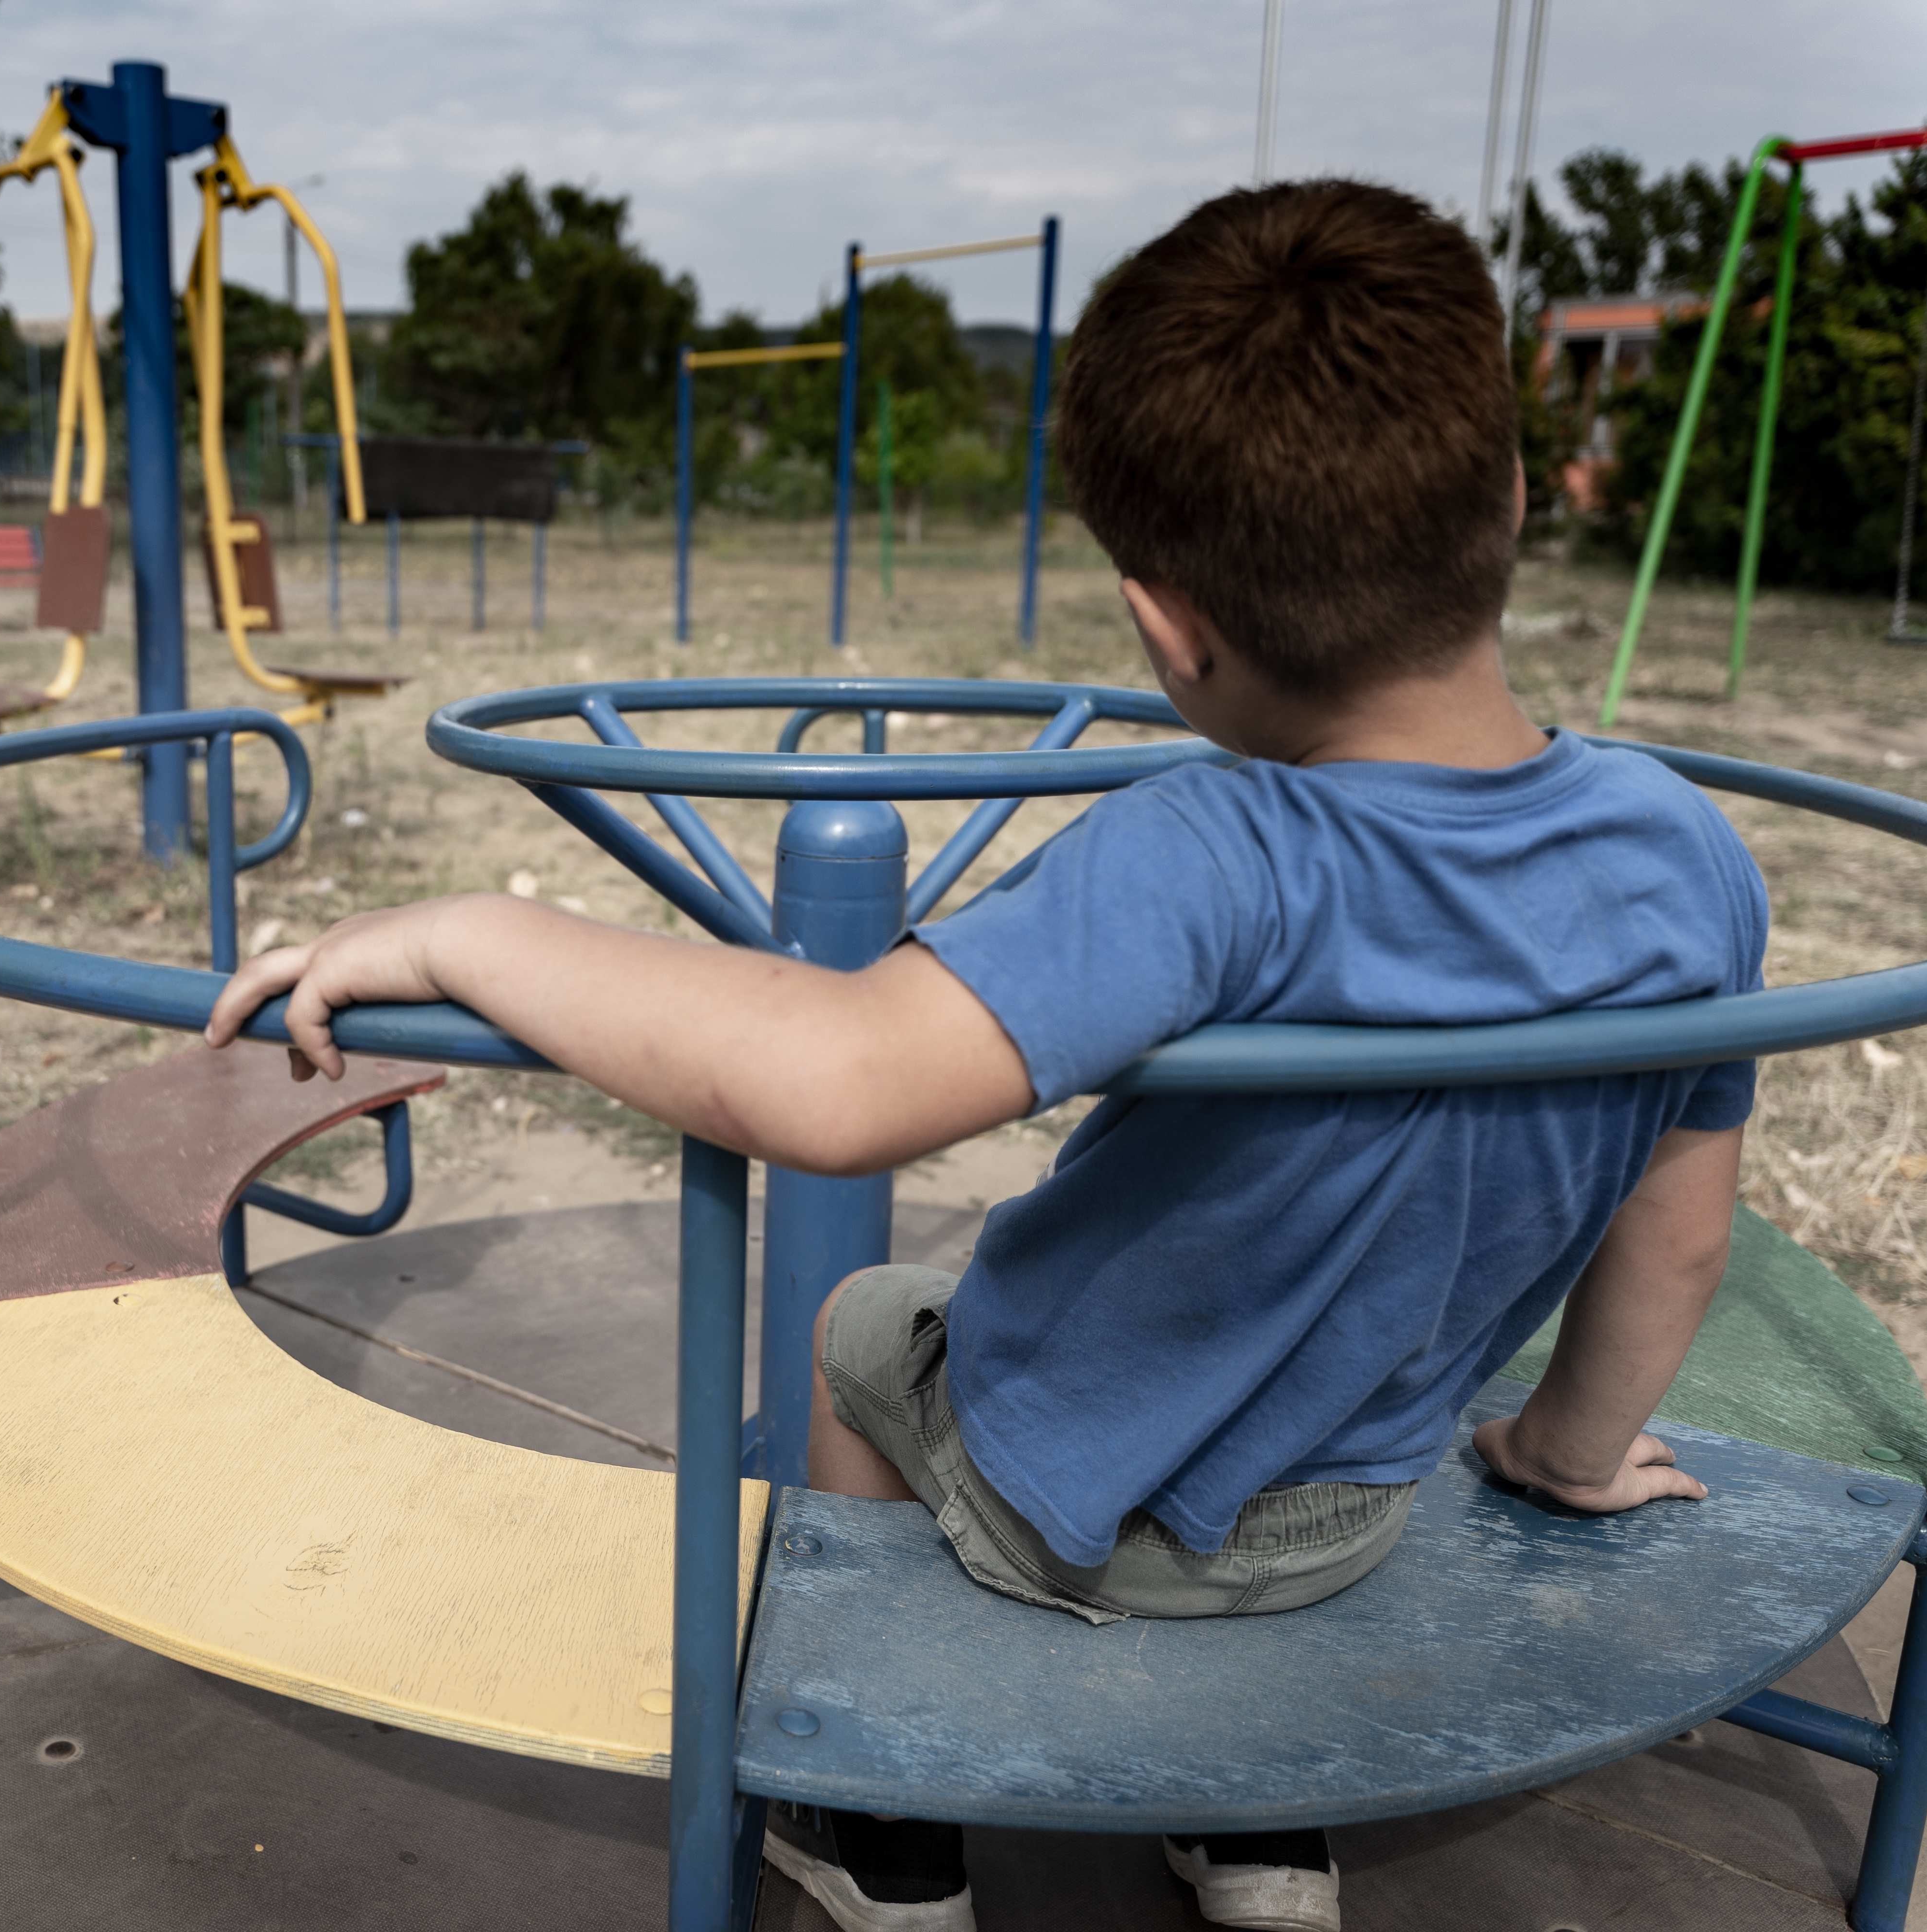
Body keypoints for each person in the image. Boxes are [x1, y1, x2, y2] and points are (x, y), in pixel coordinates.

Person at [203, 179, 1766, 1932]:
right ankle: (1257, 1831)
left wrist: (469, 932)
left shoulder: (1226, 853)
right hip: (1351, 1518)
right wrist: (1563, 1458)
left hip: (1088, 1514)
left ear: (1167, 629)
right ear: (1503, 505)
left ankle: (880, 1819)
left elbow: (837, 1081)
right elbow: (1678, 1232)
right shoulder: (1678, 847)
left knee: (869, 1329)